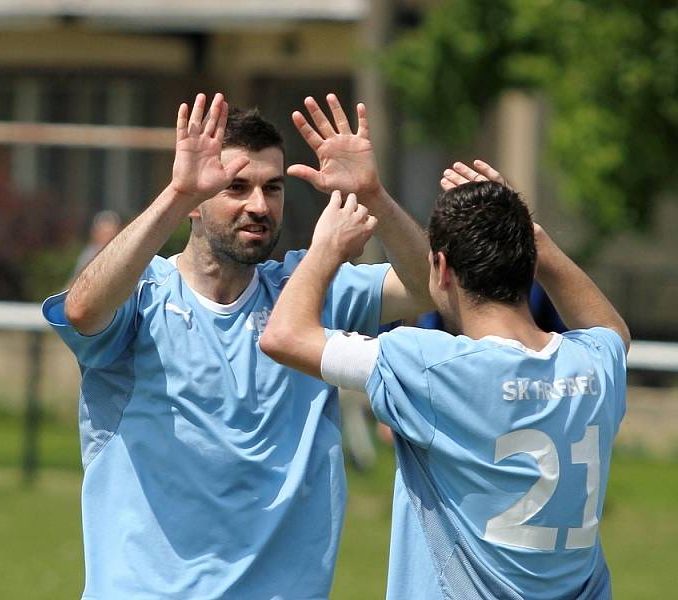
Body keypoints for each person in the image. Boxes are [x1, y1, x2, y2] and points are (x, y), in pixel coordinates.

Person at [42, 92, 432, 599]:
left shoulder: (307, 291)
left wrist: (374, 194)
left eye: (273, 188)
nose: (259, 205)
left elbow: (430, 287)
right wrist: (177, 194)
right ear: (197, 203)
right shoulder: (144, 299)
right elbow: (82, 310)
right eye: (237, 187)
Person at [260, 160, 629, 600]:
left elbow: (284, 336)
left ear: (441, 267)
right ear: (529, 262)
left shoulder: (433, 367)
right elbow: (613, 331)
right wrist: (536, 241)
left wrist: (324, 250)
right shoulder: (594, 364)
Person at [71, 209, 122, 282]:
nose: (107, 239)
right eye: (104, 234)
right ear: (95, 234)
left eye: (111, 235)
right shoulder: (88, 256)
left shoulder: (122, 253)